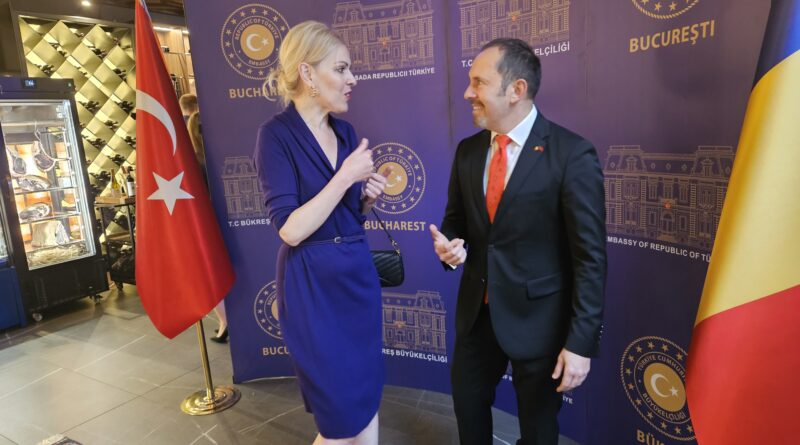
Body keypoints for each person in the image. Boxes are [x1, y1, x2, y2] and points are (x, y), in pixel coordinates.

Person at [430, 38, 607, 445]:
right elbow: (456, 222)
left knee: (539, 429)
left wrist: (580, 343)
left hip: (540, 324)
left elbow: (590, 259)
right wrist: (451, 248)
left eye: (478, 82)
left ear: (516, 90)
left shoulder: (572, 154)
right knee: (469, 413)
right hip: (476, 318)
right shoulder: (468, 151)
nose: (467, 93)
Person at [253, 21, 389, 445]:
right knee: (338, 418)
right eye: (342, 68)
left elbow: (347, 217)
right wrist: (345, 176)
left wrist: (366, 200)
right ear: (308, 73)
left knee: (366, 398)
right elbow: (291, 230)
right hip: (313, 289)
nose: (353, 79)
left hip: (356, 281)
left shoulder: (345, 133)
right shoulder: (275, 136)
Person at [186, 110, 228, 343]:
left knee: (211, 276)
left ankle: (224, 321)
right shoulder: (224, 154)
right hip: (231, 221)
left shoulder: (192, 161)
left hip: (207, 224)